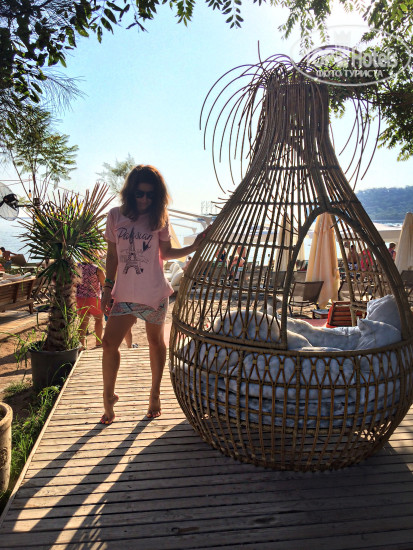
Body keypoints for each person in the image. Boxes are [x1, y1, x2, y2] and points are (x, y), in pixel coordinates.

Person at [100, 164, 210, 425]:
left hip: (154, 293)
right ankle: (108, 396)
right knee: (108, 343)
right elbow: (112, 256)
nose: (145, 199)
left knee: (155, 342)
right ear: (130, 193)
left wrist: (194, 246)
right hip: (124, 295)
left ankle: (155, 394)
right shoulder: (115, 216)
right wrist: (106, 288)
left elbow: (167, 253)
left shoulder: (159, 217)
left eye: (150, 195)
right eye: (140, 194)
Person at [76, 261, 105, 348]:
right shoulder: (97, 269)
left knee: (83, 323)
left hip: (80, 298)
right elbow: (104, 284)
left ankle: (81, 346)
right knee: (99, 320)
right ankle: (98, 342)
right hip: (94, 299)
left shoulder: (76, 267)